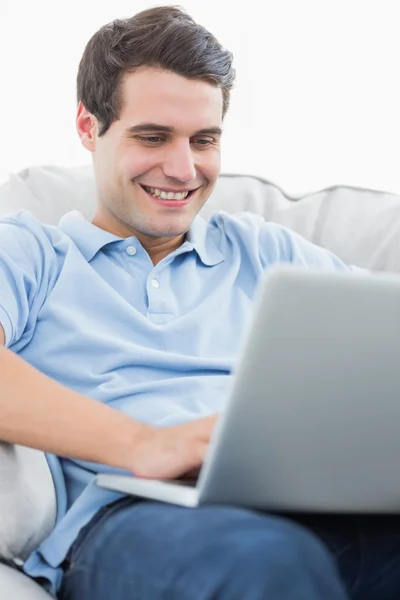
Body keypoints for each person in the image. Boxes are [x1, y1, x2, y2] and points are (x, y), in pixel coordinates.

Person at [1, 5, 400, 600]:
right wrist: (147, 444)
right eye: (153, 137)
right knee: (264, 562)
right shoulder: (33, 252)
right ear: (89, 127)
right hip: (131, 521)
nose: (184, 169)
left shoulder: (265, 251)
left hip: (303, 507)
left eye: (204, 140)